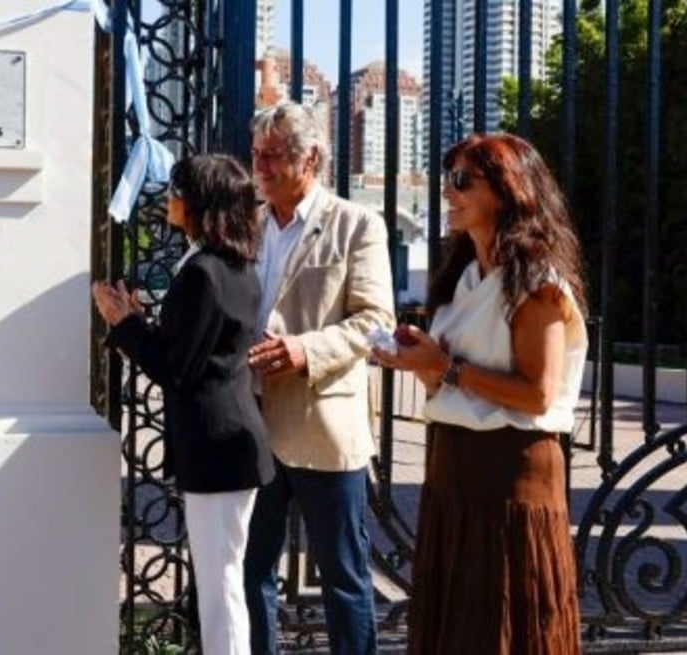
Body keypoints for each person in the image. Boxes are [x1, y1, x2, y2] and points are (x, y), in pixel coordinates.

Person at [374, 133, 586, 654]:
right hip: (454, 469)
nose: (448, 192)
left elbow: (538, 395)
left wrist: (445, 367)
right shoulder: (464, 277)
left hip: (510, 473)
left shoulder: (537, 282)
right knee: (458, 629)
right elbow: (448, 383)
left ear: (507, 189)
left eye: (462, 180)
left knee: (504, 627)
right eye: (449, 179)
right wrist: (420, 363)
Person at [94, 153, 275, 655]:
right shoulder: (235, 265)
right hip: (230, 443)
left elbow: (177, 370)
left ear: (200, 203)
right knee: (222, 579)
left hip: (218, 447)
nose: (170, 198)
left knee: (220, 587)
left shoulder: (204, 271)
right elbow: (194, 350)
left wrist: (125, 325)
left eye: (178, 190)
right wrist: (140, 324)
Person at [241, 101, 395, 655]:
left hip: (322, 427)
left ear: (311, 158)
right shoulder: (248, 224)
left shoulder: (357, 224)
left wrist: (305, 350)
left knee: (344, 578)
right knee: (250, 570)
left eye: (273, 155)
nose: (260, 166)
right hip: (251, 423)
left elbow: (377, 322)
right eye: (256, 154)